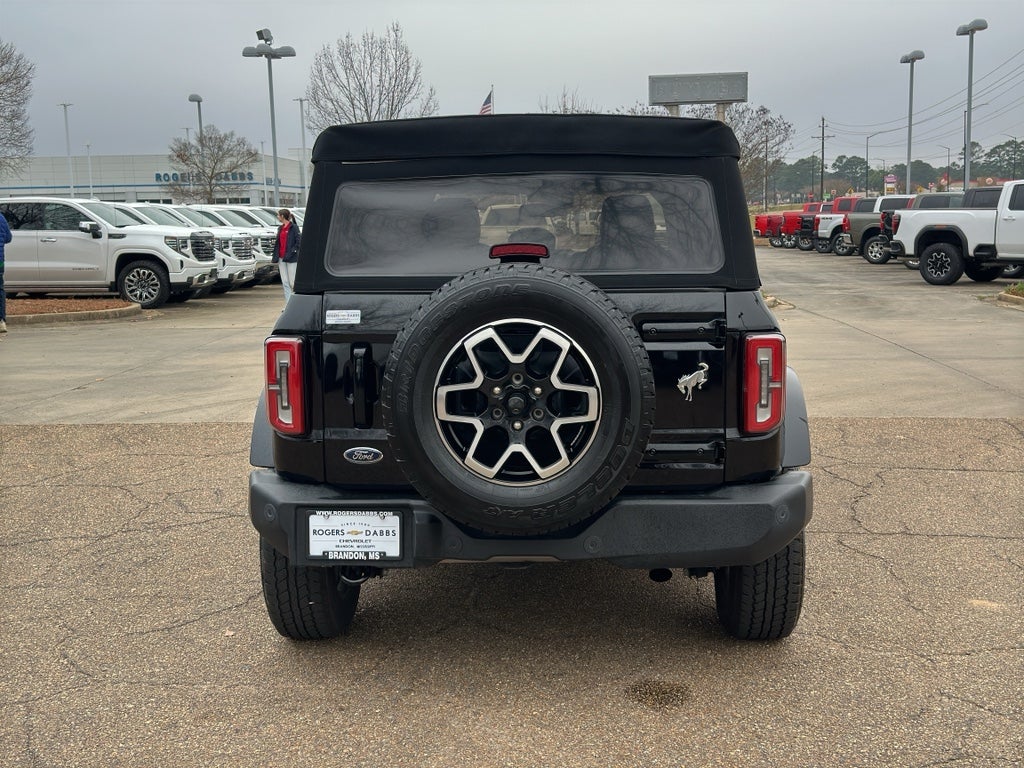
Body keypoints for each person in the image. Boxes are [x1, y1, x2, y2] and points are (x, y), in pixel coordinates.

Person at [274, 208, 301, 304]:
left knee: (292, 282)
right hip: (281, 258)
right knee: (285, 282)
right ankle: (288, 305)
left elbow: (298, 242)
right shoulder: (280, 228)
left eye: (278, 215)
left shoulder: (294, 227)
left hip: (291, 258)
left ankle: (296, 303)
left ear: (282, 216)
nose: (277, 217)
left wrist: (292, 251)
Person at [0, 210, 11, 333]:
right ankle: (1, 321)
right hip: (0, 261)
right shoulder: (1, 218)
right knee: (0, 290)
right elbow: (8, 238)